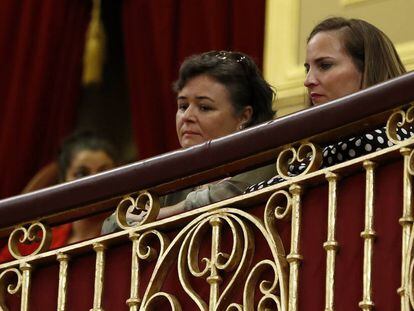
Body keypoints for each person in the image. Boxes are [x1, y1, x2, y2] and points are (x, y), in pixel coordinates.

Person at [101, 50, 276, 233]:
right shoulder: (172, 174)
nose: (187, 117)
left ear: (243, 116)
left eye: (204, 107)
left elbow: (225, 196)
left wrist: (157, 215)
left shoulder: (267, 160)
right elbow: (112, 224)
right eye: (183, 106)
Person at [245, 16, 410, 192]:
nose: (308, 81)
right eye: (307, 69)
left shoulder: (378, 139)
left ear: (367, 67)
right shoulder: (311, 149)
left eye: (324, 65)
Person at [0, 131, 119, 263]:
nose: (94, 181)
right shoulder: (38, 241)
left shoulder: (130, 230)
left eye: (104, 172)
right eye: (81, 174)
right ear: (63, 181)